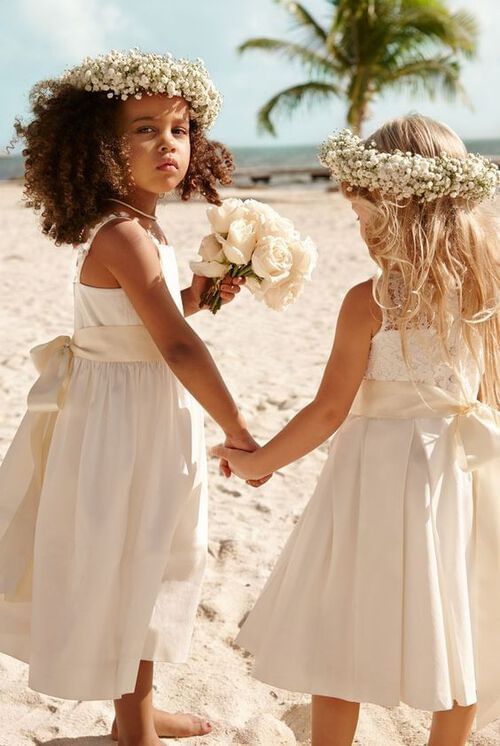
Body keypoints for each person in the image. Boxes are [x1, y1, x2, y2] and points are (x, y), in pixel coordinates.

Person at [211, 115, 500, 746]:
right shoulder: (486, 286)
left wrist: (261, 461)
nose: (362, 232)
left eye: (364, 217)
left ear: (396, 210)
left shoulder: (369, 301)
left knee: (343, 623)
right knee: (458, 621)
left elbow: (327, 411)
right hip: (457, 475)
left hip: (374, 479)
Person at [0, 49, 261, 746]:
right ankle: (133, 726)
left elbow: (151, 325)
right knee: (130, 562)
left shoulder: (144, 228)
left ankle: (135, 712)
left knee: (155, 555)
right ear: (98, 146)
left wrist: (198, 295)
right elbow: (174, 347)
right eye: (143, 129)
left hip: (140, 410)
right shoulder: (122, 234)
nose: (166, 144)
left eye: (177, 129)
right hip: (121, 423)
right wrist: (240, 431)